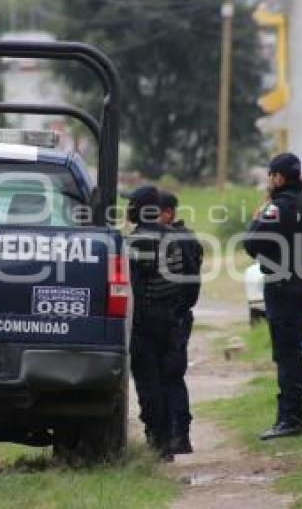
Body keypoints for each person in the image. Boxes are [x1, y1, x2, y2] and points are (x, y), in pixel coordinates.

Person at [243, 153, 302, 440]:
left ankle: (291, 418)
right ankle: (292, 415)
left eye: (271, 176)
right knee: (295, 351)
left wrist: (258, 217)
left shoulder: (278, 208)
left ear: (278, 177)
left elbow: (251, 244)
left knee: (287, 354)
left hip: (282, 287)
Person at [123, 185, 185, 460]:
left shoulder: (138, 240)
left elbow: (133, 286)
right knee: (165, 380)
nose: (127, 210)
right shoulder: (173, 237)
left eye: (131, 204)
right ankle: (169, 440)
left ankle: (158, 443)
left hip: (146, 322)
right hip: (171, 318)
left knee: (148, 384)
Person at [157, 191, 203, 455]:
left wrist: (174, 311)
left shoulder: (179, 239)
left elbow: (186, 283)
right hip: (178, 314)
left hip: (175, 316)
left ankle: (178, 435)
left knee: (171, 375)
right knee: (170, 375)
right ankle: (177, 435)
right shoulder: (181, 237)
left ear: (168, 213)